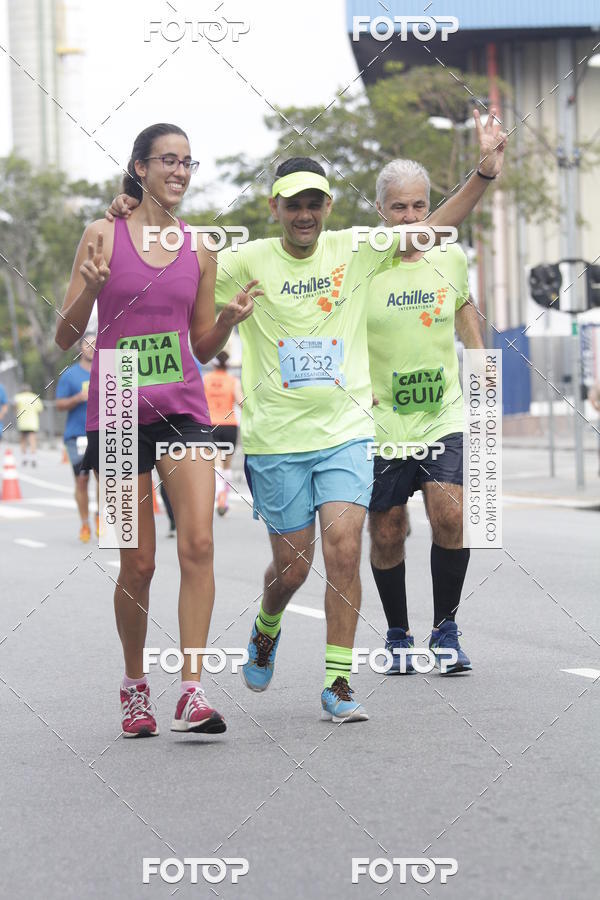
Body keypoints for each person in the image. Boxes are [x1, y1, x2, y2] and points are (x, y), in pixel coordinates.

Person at [108, 108, 507, 723]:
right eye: (294, 204)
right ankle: (268, 622)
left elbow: (435, 228)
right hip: (276, 438)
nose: (305, 214)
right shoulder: (244, 260)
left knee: (345, 547)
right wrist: (128, 213)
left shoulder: (355, 249)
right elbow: (174, 302)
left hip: (346, 432)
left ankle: (339, 682)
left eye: (315, 203)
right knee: (293, 567)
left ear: (327, 207)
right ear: (275, 208)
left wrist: (482, 172)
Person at [56, 122, 260, 738]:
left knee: (197, 544)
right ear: (140, 168)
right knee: (138, 562)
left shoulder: (200, 247)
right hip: (117, 405)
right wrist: (86, 294)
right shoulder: (100, 235)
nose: (179, 170)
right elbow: (65, 339)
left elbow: (200, 343)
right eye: (168, 160)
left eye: (188, 162)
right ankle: (135, 686)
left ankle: (192, 690)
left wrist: (225, 322)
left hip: (184, 409)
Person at [367, 158, 485, 676]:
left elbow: (464, 311)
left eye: (420, 206)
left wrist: (484, 375)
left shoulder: (451, 258)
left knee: (452, 515)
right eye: (399, 208)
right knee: (388, 531)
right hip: (382, 422)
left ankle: (446, 629)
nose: (412, 218)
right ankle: (397, 634)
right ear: (380, 211)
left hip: (443, 413)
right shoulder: (363, 263)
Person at [55, 334, 99, 542]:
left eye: (95, 344)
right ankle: (84, 524)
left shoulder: (107, 372)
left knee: (105, 480)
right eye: (87, 344)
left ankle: (101, 516)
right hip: (77, 435)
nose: (91, 348)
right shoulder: (70, 375)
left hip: (102, 432)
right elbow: (59, 405)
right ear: (80, 348)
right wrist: (78, 398)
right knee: (82, 480)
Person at [203, 349, 243, 515]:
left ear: (213, 363)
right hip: (229, 425)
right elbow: (241, 402)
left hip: (211, 424)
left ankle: (218, 494)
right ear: (227, 364)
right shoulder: (233, 381)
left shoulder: (205, 380)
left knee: (216, 464)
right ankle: (223, 499)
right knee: (226, 466)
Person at [14, 383, 43, 466]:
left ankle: (24, 458)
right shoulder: (34, 397)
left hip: (22, 422)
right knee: (32, 440)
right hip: (32, 422)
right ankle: (33, 457)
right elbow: (40, 410)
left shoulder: (18, 397)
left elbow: (15, 408)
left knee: (23, 440)